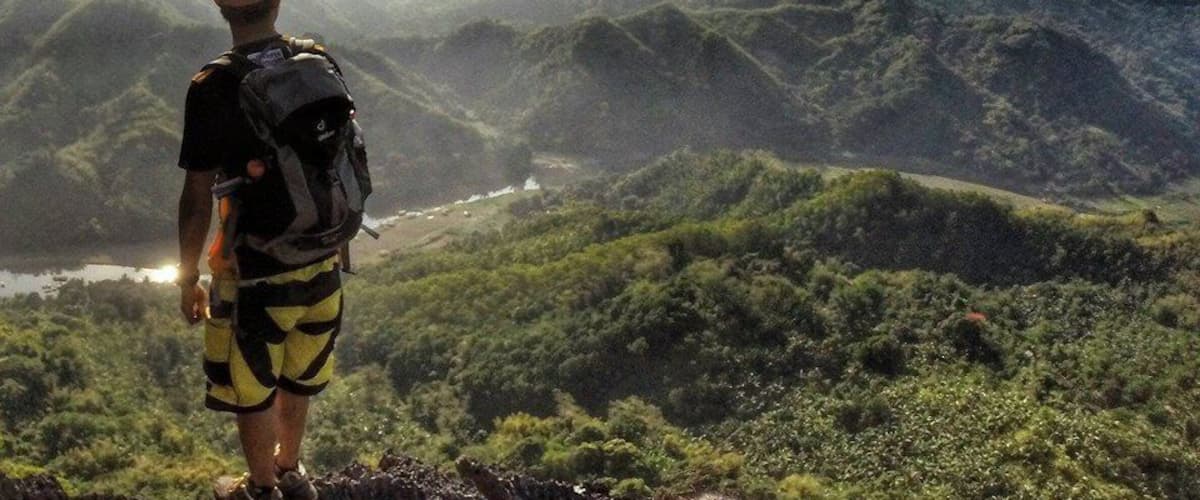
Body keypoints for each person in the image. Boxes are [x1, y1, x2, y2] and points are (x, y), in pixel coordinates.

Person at [176, 1, 344, 499]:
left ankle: (263, 487)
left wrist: (187, 278)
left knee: (251, 390)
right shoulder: (316, 59)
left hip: (253, 276)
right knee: (299, 376)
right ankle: (290, 467)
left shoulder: (212, 85)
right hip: (323, 261)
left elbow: (196, 197)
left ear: (219, 6)